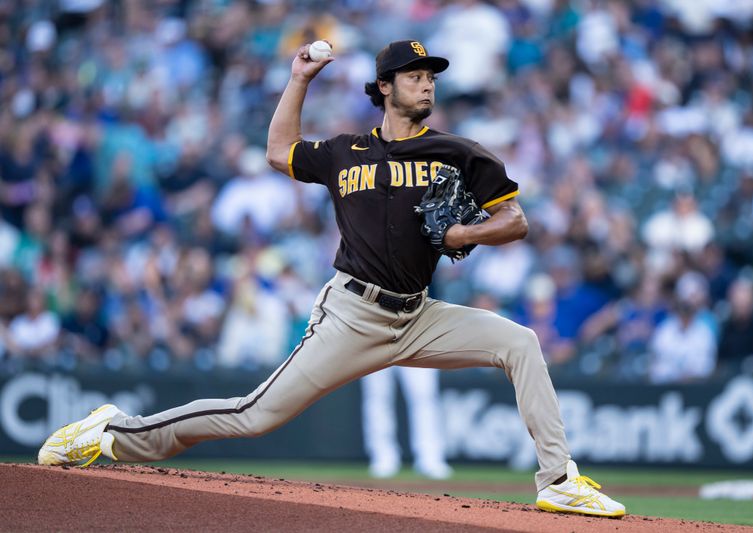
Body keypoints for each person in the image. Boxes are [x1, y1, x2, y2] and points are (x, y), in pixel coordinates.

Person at [38, 40, 624, 518]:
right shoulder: (346, 151)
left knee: (519, 342)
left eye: (431, 76)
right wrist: (300, 80)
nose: (427, 84)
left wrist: (463, 236)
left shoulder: (458, 152)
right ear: (385, 89)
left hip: (418, 315)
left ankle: (558, 481)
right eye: (414, 75)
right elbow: (278, 151)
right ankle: (111, 432)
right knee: (253, 415)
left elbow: (515, 220)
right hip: (352, 314)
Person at [361, 367, 452, 479]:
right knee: (377, 396)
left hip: (413, 349)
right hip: (376, 349)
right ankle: (382, 456)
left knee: (424, 396)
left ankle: (430, 458)